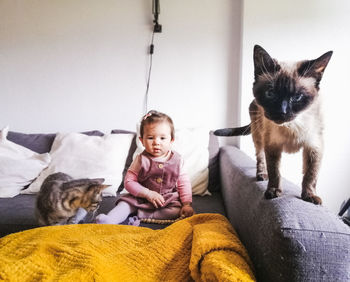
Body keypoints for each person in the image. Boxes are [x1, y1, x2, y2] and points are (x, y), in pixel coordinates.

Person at [96, 110, 194, 225]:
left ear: (171, 140)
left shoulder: (178, 160)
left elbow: (184, 183)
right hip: (141, 197)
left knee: (176, 211)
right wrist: (147, 193)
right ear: (142, 140)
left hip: (166, 199)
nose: (156, 142)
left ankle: (140, 214)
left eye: (162, 138)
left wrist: (186, 204)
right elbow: (129, 181)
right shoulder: (141, 159)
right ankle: (109, 220)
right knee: (125, 204)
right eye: (151, 138)